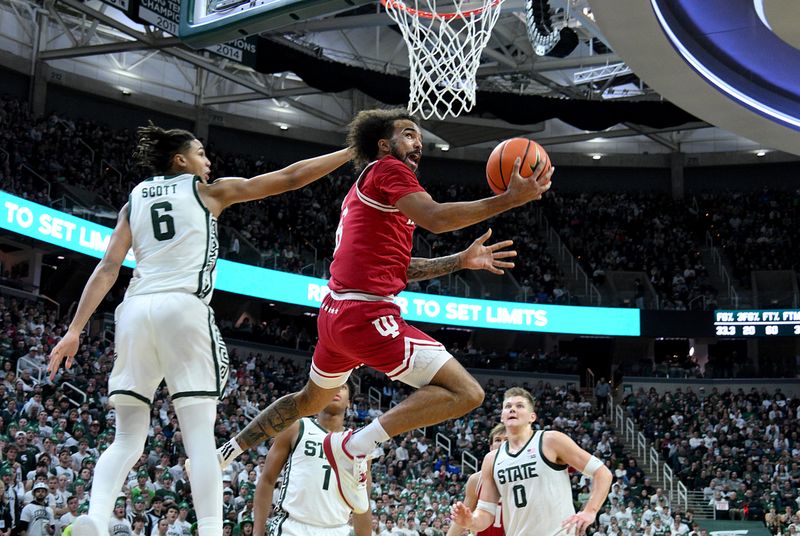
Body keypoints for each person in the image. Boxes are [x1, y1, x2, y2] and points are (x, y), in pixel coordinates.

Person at [214, 108, 552, 514]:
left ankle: (225, 453)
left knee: (307, 401)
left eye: (420, 139)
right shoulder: (388, 170)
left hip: (336, 314)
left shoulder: (372, 192)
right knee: (468, 393)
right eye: (409, 134)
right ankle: (354, 448)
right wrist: (507, 200)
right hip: (367, 315)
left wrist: (460, 261)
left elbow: (401, 268)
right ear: (383, 144)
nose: (418, 143)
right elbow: (438, 218)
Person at [46, 123, 353, 536]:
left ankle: (96, 520)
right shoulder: (208, 192)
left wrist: (75, 329)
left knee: (127, 439)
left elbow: (107, 268)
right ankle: (210, 530)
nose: (208, 162)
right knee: (199, 439)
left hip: (134, 309)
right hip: (183, 307)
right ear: (181, 160)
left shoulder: (133, 200)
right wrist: (350, 152)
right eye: (201, 154)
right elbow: (290, 178)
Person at [451, 387, 612, 536]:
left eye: (520, 406)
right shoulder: (491, 459)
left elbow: (602, 472)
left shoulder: (550, 440)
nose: (512, 409)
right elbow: (485, 513)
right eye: (508, 406)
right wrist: (470, 521)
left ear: (532, 417)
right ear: (502, 416)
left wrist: (590, 511)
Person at [253, 382, 370, 536]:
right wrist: (258, 532)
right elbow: (267, 479)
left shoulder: (358, 444)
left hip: (337, 530)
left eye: (342, 387)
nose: (336, 389)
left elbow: (362, 503)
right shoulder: (296, 427)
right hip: (292, 526)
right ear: (319, 396)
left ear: (349, 403)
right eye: (332, 385)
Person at [446, 423, 507, 536]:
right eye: (498, 440)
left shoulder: (524, 477)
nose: (502, 443)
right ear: (491, 447)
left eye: (507, 440)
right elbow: (461, 521)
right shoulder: (476, 480)